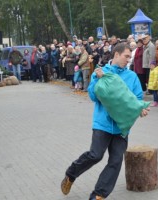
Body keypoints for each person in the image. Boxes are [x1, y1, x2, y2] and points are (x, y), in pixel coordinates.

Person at [61, 43, 149, 200]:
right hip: (103, 123)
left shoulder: (132, 76)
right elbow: (93, 97)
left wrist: (140, 109)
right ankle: (71, 174)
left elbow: (137, 99)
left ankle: (98, 195)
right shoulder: (102, 72)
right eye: (126, 56)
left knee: (115, 162)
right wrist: (97, 80)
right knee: (95, 155)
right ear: (116, 54)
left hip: (122, 127)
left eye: (130, 57)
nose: (128, 60)